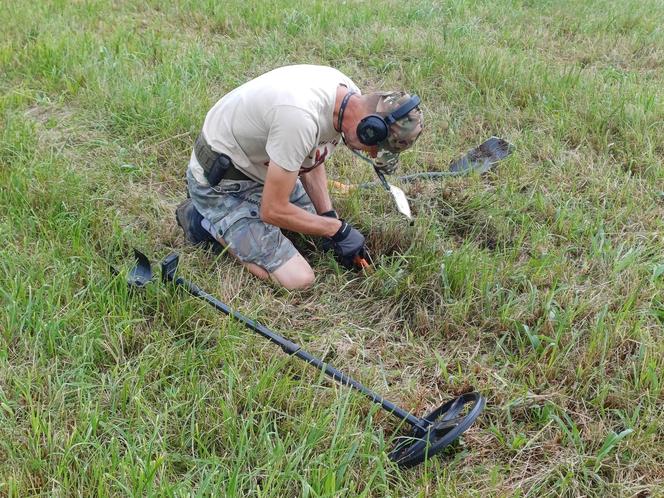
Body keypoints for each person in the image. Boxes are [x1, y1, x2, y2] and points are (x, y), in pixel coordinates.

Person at [176, 64, 423, 290]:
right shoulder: (298, 118)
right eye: (374, 147)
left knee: (311, 226)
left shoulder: (347, 95)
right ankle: (203, 222)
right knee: (299, 279)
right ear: (369, 128)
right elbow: (272, 210)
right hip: (223, 185)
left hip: (262, 169)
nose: (370, 152)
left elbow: (312, 156)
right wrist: (337, 230)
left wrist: (328, 218)